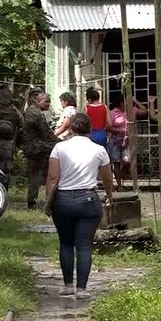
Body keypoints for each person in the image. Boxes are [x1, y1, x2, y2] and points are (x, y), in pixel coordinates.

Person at [44, 113, 115, 299]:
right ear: (90, 129)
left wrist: (48, 201)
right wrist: (109, 194)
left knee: (66, 244)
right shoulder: (99, 150)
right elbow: (107, 178)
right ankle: (82, 289)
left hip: (63, 201)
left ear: (71, 129)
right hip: (88, 200)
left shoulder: (59, 148)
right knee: (84, 246)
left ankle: (68, 285)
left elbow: (53, 178)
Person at [22, 90, 60, 209]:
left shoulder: (33, 111)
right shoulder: (36, 113)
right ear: (37, 101)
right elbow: (47, 133)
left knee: (37, 173)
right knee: (36, 174)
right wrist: (62, 143)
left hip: (35, 146)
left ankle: (35, 199)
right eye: (46, 102)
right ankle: (34, 201)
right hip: (36, 147)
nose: (48, 104)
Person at [107, 93, 147, 190]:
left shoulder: (132, 110)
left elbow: (144, 111)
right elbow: (108, 126)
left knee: (127, 161)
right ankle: (119, 185)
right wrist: (120, 131)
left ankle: (121, 173)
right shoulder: (113, 113)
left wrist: (135, 100)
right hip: (116, 140)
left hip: (128, 140)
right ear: (120, 103)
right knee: (116, 162)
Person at [0, 87, 23, 188]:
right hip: (8, 144)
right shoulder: (15, 111)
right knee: (5, 170)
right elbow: (22, 127)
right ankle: (4, 190)